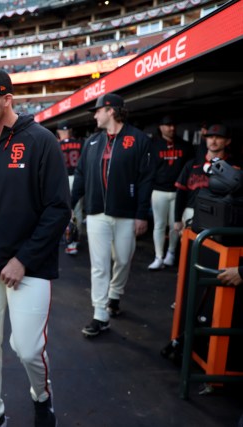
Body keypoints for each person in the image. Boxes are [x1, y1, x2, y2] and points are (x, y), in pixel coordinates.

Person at [0, 68, 70, 427]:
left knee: (28, 349)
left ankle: (42, 396)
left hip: (30, 266)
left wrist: (23, 259)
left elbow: (58, 209)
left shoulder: (41, 140)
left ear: (8, 99)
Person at [71, 93, 154, 338]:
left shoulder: (137, 139)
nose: (95, 115)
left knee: (124, 259)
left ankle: (115, 294)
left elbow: (146, 179)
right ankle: (100, 314)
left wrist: (141, 214)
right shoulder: (92, 142)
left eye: (97, 111)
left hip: (126, 213)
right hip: (97, 213)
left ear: (111, 110)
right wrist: (70, 203)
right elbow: (81, 175)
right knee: (99, 266)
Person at [147, 115, 193, 270]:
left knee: (175, 225)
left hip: (178, 191)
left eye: (173, 125)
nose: (171, 128)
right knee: (159, 225)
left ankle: (171, 253)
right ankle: (158, 256)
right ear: (160, 127)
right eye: (167, 125)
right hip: (159, 190)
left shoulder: (185, 145)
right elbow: (148, 169)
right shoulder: (153, 145)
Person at [174, 124, 237, 233]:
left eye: (219, 137)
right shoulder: (192, 164)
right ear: (206, 139)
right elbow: (181, 192)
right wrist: (177, 219)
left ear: (227, 141)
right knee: (188, 247)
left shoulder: (234, 168)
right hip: (191, 211)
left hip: (219, 215)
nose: (214, 140)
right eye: (210, 137)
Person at [56, 119, 84, 255]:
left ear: (59, 132)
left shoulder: (56, 145)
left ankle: (69, 240)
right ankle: (75, 238)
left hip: (63, 179)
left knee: (65, 210)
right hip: (78, 178)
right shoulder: (80, 144)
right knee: (77, 211)